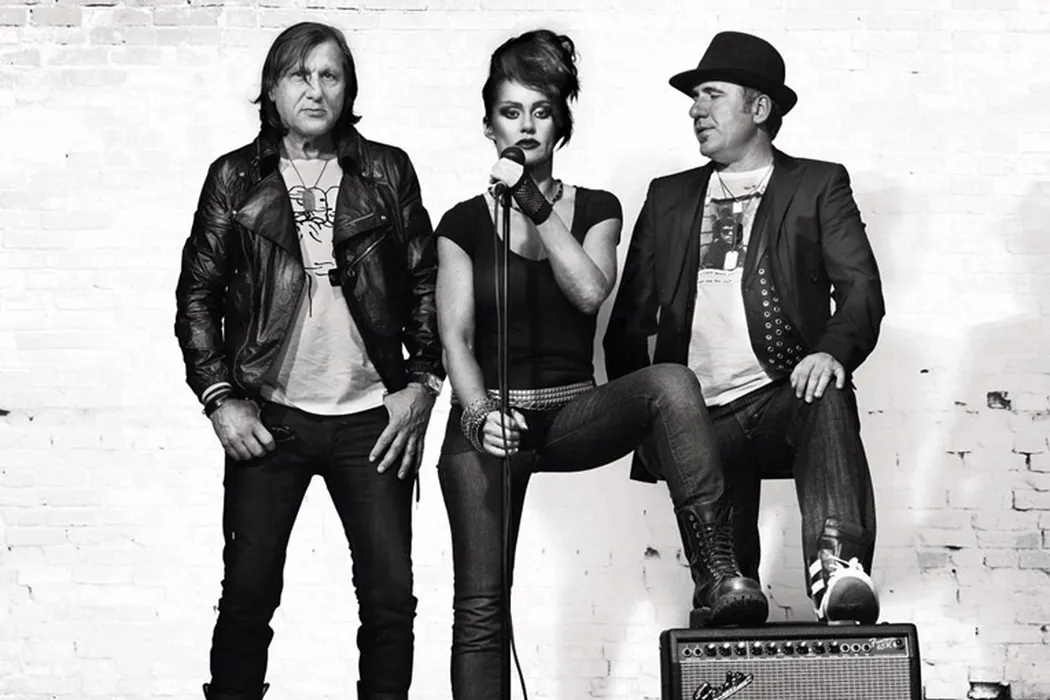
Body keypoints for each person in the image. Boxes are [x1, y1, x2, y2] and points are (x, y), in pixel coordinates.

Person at [434, 29, 767, 700]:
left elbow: (589, 291)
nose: (526, 126)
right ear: (489, 126)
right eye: (510, 112)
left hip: (570, 413)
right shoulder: (461, 224)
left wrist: (532, 203)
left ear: (561, 124)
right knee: (481, 609)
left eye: (541, 111)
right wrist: (478, 413)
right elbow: (456, 339)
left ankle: (716, 570)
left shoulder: (597, 208)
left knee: (670, 382)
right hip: (488, 420)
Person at [173, 22, 443, 700]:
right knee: (247, 596)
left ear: (348, 89)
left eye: (330, 75)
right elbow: (198, 295)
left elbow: (425, 282)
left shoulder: (386, 170)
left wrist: (421, 383)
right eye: (300, 74)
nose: (315, 89)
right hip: (271, 416)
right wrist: (220, 396)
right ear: (272, 88)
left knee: (389, 600)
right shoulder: (235, 177)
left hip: (372, 420)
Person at [604, 31, 884, 625]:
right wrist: (643, 415)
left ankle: (838, 567)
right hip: (695, 417)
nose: (695, 109)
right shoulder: (669, 196)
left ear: (759, 108)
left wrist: (831, 351)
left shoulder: (817, 184)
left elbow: (861, 289)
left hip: (782, 394)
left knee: (826, 386)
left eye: (712, 94)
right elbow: (630, 320)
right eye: (694, 98)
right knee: (732, 601)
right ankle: (724, 589)